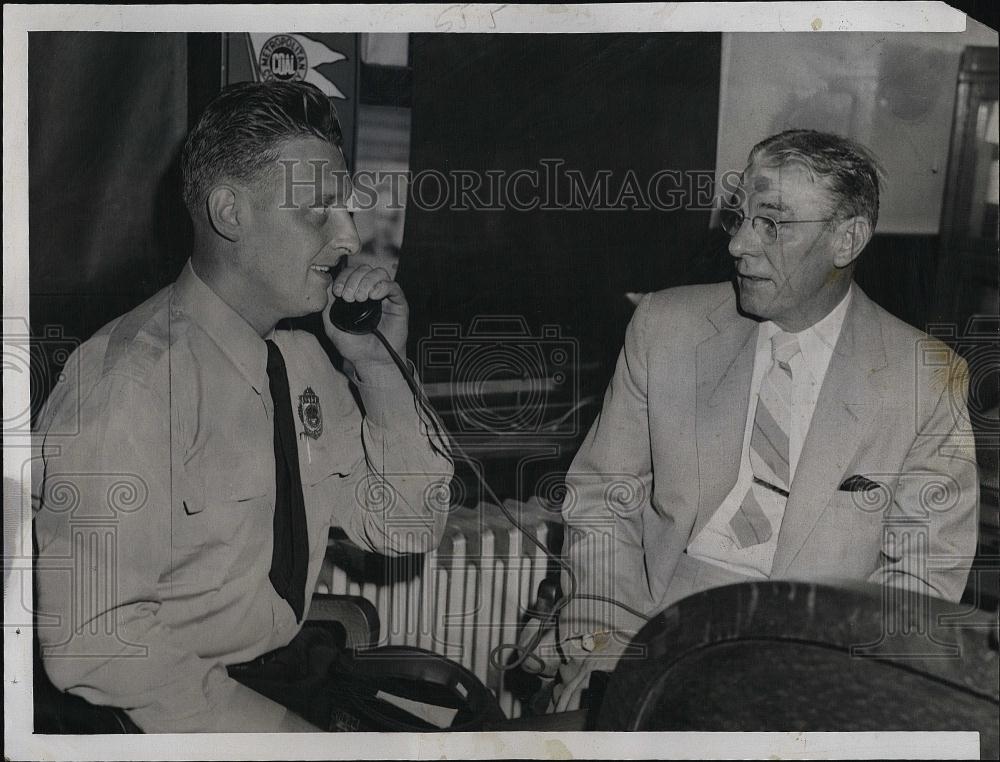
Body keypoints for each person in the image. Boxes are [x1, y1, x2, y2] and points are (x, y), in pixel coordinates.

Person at [32, 81, 453, 732]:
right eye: (319, 210)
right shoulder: (128, 383)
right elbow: (92, 640)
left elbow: (406, 526)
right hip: (151, 713)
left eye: (345, 209)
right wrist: (281, 736)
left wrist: (377, 367)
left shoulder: (305, 363)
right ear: (229, 212)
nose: (349, 237)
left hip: (276, 674)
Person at [548, 129, 979, 712]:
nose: (740, 246)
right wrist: (605, 640)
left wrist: (829, 686)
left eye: (772, 224)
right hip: (648, 623)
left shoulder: (925, 378)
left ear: (847, 239)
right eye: (741, 217)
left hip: (816, 652)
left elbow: (925, 575)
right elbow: (601, 496)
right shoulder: (666, 326)